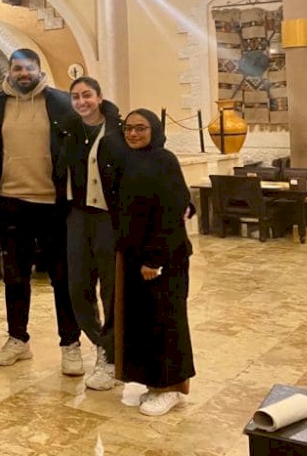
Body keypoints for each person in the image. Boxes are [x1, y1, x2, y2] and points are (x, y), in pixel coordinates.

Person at [0, 48, 82, 374]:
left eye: (29, 68)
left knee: (62, 278)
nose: (24, 74)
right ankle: (18, 339)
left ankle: (70, 344)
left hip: (54, 203)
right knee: (15, 276)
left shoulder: (61, 102)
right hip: (12, 202)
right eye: (17, 68)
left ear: (39, 69)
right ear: (9, 71)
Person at [117, 109, 195, 416]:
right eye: (128, 128)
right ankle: (156, 383)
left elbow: (172, 209)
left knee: (167, 321)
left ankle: (171, 388)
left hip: (164, 258)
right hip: (137, 257)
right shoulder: (130, 160)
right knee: (147, 322)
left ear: (155, 130)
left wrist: (154, 258)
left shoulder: (164, 160)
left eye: (141, 128)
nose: (133, 133)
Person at [58, 76, 127, 391]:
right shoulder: (68, 130)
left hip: (107, 219)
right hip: (77, 216)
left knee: (110, 289)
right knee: (78, 288)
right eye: (76, 96)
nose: (81, 101)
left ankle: (111, 357)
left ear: (99, 97)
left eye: (87, 95)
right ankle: (101, 342)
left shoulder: (117, 131)